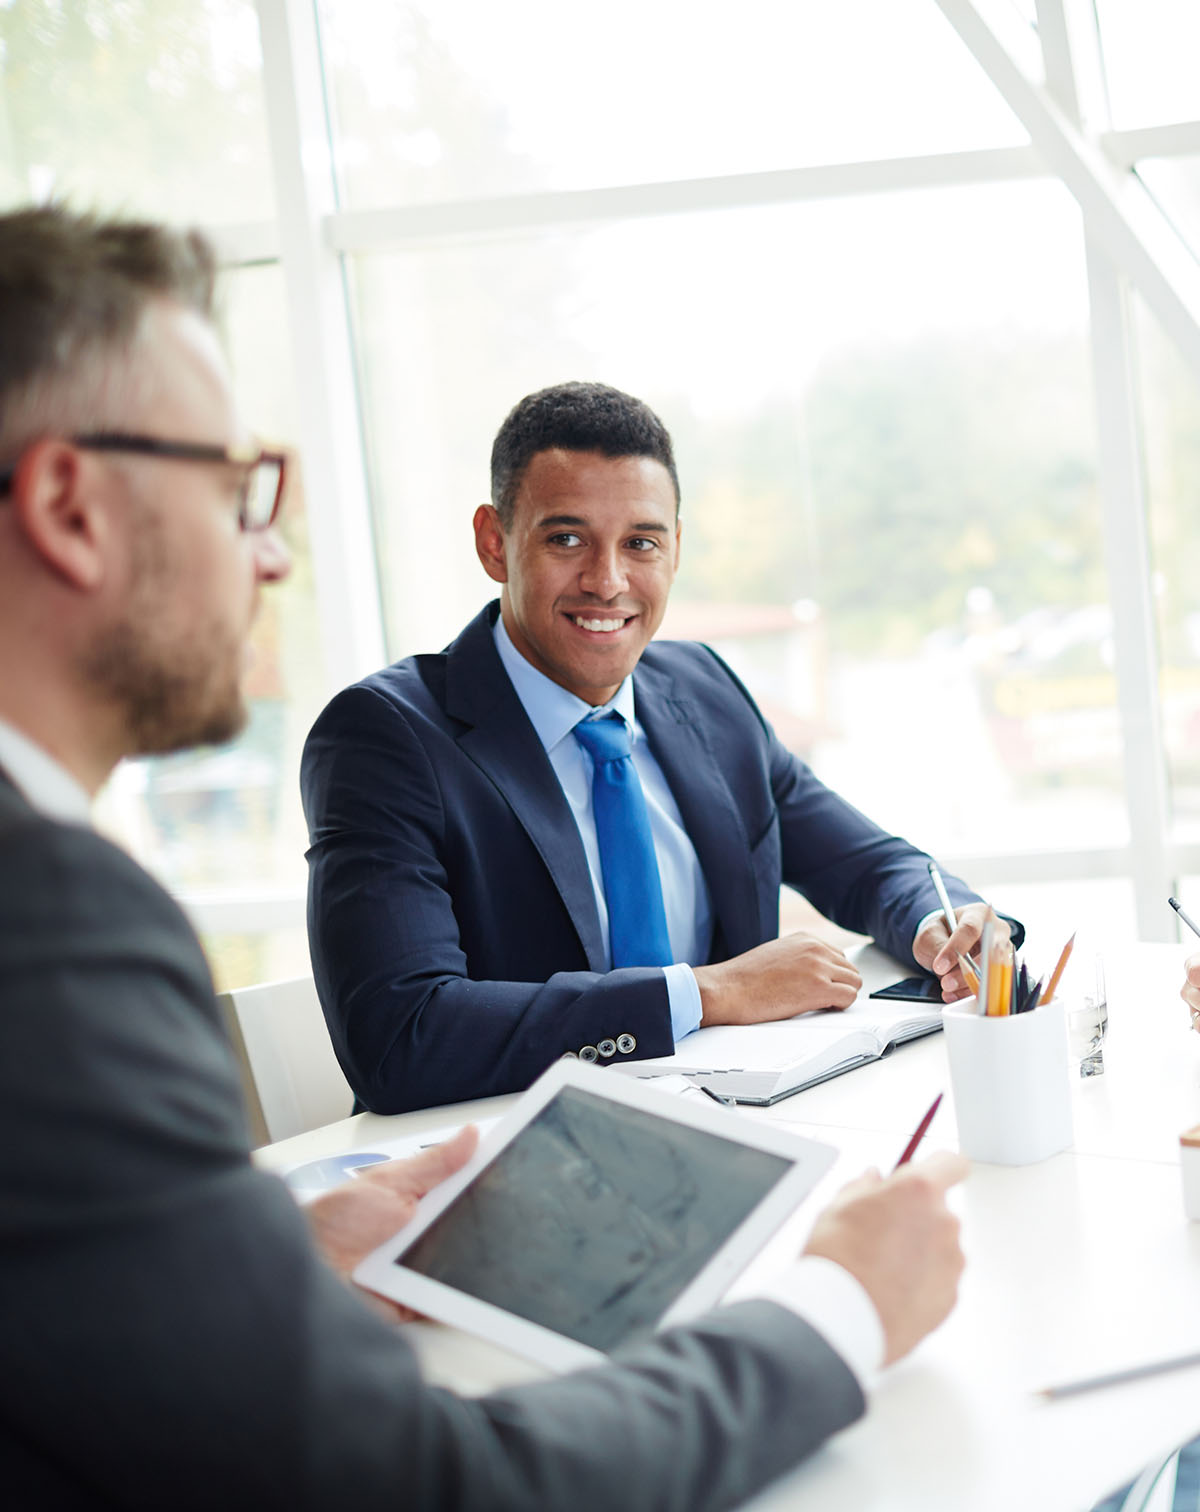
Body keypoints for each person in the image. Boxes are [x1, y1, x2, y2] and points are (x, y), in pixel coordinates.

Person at [0, 203, 970, 1510]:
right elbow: (413, 1479)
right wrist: (842, 1313)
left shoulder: (704, 692)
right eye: (239, 491)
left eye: (644, 543)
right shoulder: (64, 917)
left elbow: (854, 847)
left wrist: (272, 1251)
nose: (275, 554)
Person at [302, 380, 1020, 1114]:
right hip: (511, 1158)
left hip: (749, 1134)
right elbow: (401, 1037)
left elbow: (871, 866)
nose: (607, 581)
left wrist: (939, 921)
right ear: (495, 542)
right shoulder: (384, 737)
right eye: (566, 538)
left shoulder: (706, 693)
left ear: (676, 547)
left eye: (640, 542)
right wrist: (708, 993)